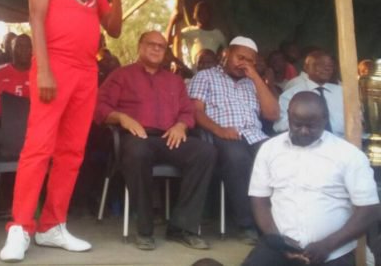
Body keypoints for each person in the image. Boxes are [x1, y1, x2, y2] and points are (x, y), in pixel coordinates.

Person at [0, 0, 122, 262]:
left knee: (72, 151)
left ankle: (52, 225)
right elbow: (36, 18)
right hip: (55, 63)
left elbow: (114, 29)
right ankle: (20, 227)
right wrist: (43, 68)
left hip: (86, 72)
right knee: (38, 147)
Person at [95, 31, 216, 251]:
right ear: (140, 46)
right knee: (138, 153)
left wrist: (181, 125)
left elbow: (188, 112)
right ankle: (145, 230)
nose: (156, 49)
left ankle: (182, 228)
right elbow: (100, 106)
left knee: (205, 152)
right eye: (151, 44)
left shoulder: (175, 81)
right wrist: (121, 118)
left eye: (161, 46)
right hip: (136, 136)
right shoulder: (122, 75)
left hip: (169, 137)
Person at [243, 92, 380, 266]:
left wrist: (328, 245)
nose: (304, 131)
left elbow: (369, 209)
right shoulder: (269, 150)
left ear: (325, 119)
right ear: (289, 117)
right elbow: (259, 200)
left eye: (311, 126)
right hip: (280, 249)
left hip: (333, 253)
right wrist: (276, 240)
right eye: (297, 124)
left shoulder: (349, 155)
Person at [188, 36, 279, 244]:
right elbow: (196, 111)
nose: (243, 64)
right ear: (226, 54)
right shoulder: (205, 76)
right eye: (240, 58)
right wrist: (219, 130)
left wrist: (256, 77)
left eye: (250, 61)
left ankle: (278, 222)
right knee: (238, 158)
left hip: (255, 136)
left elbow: (273, 114)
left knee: (280, 157)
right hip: (221, 135)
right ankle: (248, 225)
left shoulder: (253, 81)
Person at [274, 51, 345, 137]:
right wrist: (303, 123)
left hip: (342, 141)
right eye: (320, 65)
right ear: (306, 67)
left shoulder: (342, 92)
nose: (327, 68)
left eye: (330, 66)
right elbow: (279, 126)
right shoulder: (291, 94)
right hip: (307, 142)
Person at [180, 2, 227, 70]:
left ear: (210, 15)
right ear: (194, 15)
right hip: (193, 71)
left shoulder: (217, 34)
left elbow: (226, 51)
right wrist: (172, 22)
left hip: (212, 71)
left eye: (205, 12)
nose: (202, 15)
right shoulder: (189, 31)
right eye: (199, 12)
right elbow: (169, 41)